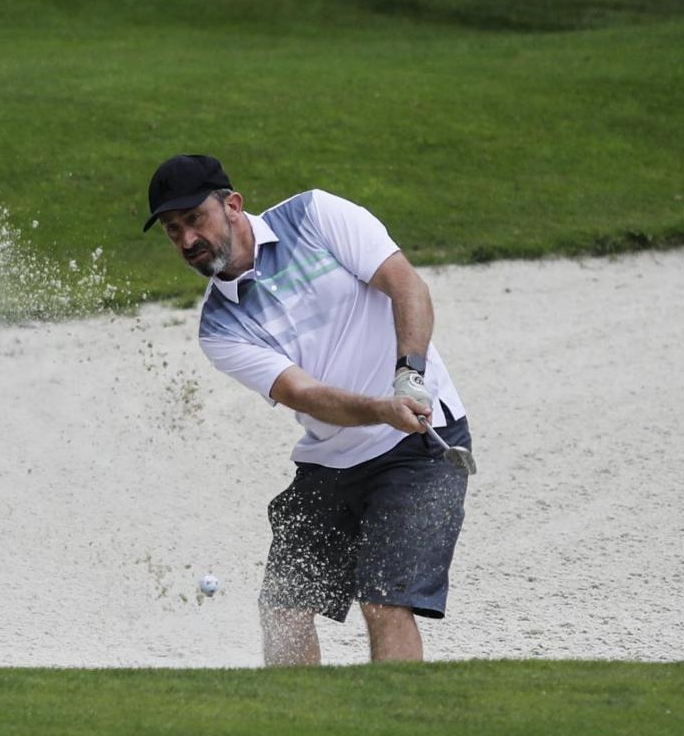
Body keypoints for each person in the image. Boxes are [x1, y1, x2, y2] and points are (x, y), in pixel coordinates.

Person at [143, 154, 472, 665]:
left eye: (194, 220)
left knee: (384, 602)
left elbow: (407, 286)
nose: (187, 241)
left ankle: (400, 732)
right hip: (332, 459)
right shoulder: (219, 328)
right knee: (283, 606)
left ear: (232, 205)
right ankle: (298, 728)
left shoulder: (315, 216)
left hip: (419, 445)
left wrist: (409, 375)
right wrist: (381, 408)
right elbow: (305, 394)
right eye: (172, 231)